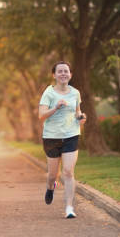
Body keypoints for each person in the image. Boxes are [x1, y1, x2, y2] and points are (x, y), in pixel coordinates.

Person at [38, 61, 86, 218]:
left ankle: (69, 208)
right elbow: (41, 115)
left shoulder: (75, 93)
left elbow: (77, 111)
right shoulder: (49, 93)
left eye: (66, 71)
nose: (63, 73)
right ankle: (50, 187)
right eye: (60, 71)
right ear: (54, 75)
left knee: (68, 172)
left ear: (70, 75)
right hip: (51, 137)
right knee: (53, 175)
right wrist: (56, 107)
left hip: (71, 135)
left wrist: (81, 117)